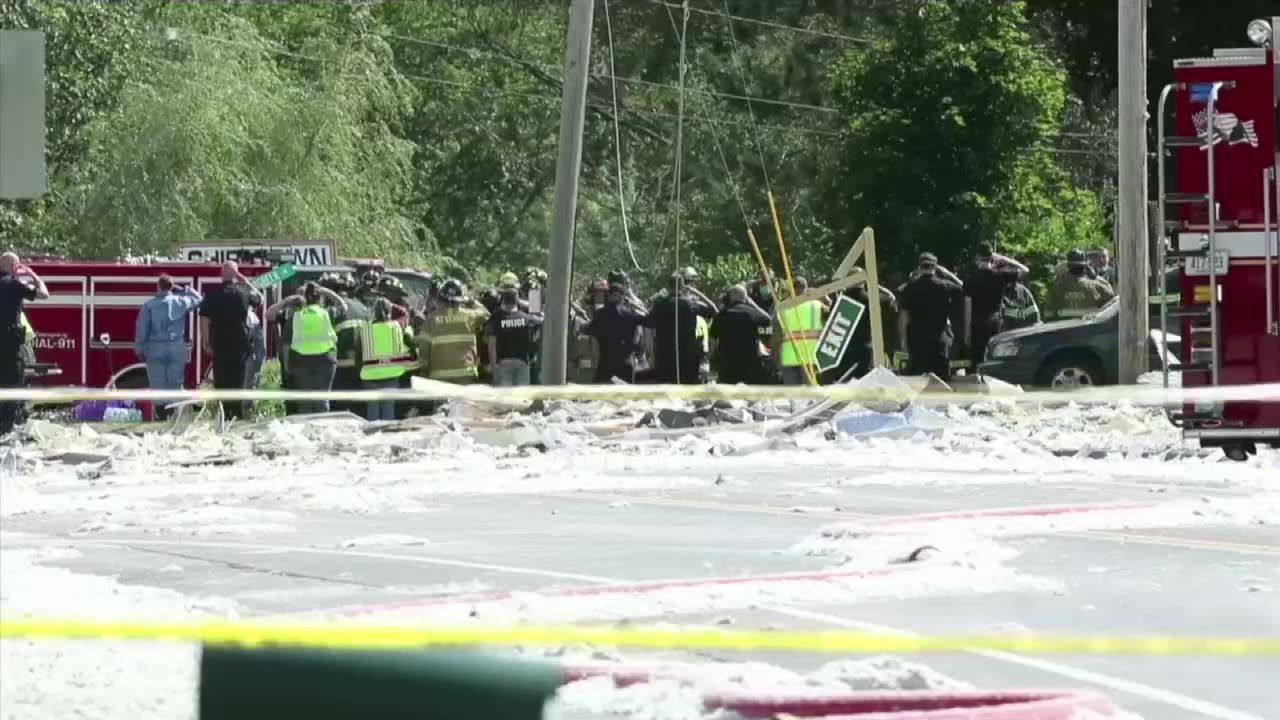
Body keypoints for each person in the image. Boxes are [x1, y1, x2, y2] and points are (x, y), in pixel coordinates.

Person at [266, 282, 346, 414]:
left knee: (305, 403)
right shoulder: (326, 313)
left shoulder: (296, 315)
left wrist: (286, 300)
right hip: (325, 360)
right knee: (322, 401)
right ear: (319, 298)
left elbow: (269, 314)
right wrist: (327, 291)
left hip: (301, 361)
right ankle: (322, 425)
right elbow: (344, 307)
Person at [199, 262, 263, 421]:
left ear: (221, 275)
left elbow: (204, 319)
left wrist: (205, 341)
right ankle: (236, 417)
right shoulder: (244, 293)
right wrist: (244, 280)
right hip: (240, 347)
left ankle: (223, 416)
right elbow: (260, 299)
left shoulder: (212, 295)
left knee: (221, 383)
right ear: (235, 275)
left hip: (220, 346)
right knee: (238, 383)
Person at [134, 275, 202, 419]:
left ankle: (161, 414)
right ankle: (173, 413)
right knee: (175, 383)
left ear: (158, 286)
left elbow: (141, 330)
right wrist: (186, 289)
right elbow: (199, 300)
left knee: (158, 383)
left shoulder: (149, 306)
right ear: (171, 287)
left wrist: (140, 349)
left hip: (156, 347)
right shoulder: (181, 301)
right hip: (176, 346)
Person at [0, 253, 49, 435]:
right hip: (11, 352)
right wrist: (32, 274)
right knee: (13, 395)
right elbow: (44, 294)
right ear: (15, 266)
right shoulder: (14, 285)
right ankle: (8, 435)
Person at [897, 253, 965, 380]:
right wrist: (947, 273)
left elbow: (903, 318)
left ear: (919, 267)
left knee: (916, 381)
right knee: (941, 381)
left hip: (917, 341)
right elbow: (963, 286)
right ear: (935, 267)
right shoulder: (945, 286)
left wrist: (903, 341)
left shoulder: (909, 288)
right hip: (939, 341)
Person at [964, 242, 1028, 365]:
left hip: (976, 324)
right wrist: (1004, 258)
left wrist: (966, 334)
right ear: (992, 257)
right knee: (993, 358)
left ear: (977, 257)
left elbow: (967, 306)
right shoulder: (1000, 276)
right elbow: (1025, 270)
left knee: (976, 360)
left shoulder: (970, 279)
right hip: (994, 322)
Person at [643, 273, 714, 384]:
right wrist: (696, 292)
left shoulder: (660, 304)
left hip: (665, 356)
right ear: (683, 287)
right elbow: (713, 310)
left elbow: (648, 323)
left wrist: (655, 299)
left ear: (668, 287)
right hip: (688, 357)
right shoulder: (691, 303)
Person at [417, 279, 489, 384]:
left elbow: (424, 350)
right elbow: (486, 313)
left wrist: (424, 372)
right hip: (465, 375)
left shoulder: (431, 319)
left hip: (439, 377)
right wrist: (471, 301)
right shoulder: (470, 316)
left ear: (440, 299)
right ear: (461, 300)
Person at [360, 298, 415, 421]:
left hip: (370, 376)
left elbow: (359, 355)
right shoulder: (396, 327)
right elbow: (406, 315)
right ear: (389, 312)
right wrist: (391, 305)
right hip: (391, 375)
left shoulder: (365, 329)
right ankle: (387, 433)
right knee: (388, 410)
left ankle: (373, 432)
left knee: (372, 411)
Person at [585, 280, 647, 383]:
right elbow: (646, 319)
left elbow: (589, 331)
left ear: (608, 296)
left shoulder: (600, 314)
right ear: (622, 297)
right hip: (625, 365)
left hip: (605, 366)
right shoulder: (630, 314)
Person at [710, 284, 772, 384]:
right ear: (746, 298)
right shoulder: (755, 315)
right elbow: (768, 319)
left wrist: (713, 360)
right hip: (750, 365)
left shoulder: (720, 316)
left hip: (727, 365)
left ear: (731, 297)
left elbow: (713, 341)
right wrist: (753, 304)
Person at [487, 283, 542, 387]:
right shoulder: (526, 318)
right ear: (517, 301)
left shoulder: (496, 317)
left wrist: (494, 370)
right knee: (521, 396)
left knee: (505, 396)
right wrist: (526, 302)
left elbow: (491, 345)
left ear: (502, 300)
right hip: (522, 364)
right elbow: (541, 316)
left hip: (503, 364)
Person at [772, 276, 824, 386]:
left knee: (794, 391)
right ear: (806, 288)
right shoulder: (814, 305)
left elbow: (777, 337)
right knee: (810, 390)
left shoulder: (781, 308)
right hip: (809, 356)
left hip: (789, 356)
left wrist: (776, 360)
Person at [1047, 249, 1115, 320]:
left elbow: (1049, 314)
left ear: (1068, 266)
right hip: (1092, 326)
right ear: (1086, 267)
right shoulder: (1097, 287)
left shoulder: (1057, 288)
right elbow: (1111, 297)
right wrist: (1095, 277)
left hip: (1064, 326)